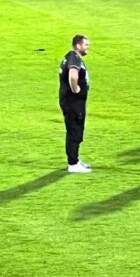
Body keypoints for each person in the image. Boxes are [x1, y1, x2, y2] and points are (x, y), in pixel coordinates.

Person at [59, 34, 92, 173]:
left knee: (75, 129)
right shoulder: (74, 58)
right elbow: (73, 75)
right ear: (78, 45)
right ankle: (72, 164)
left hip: (71, 101)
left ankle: (75, 159)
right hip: (73, 102)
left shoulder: (70, 56)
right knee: (74, 130)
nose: (87, 48)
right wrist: (76, 88)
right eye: (86, 45)